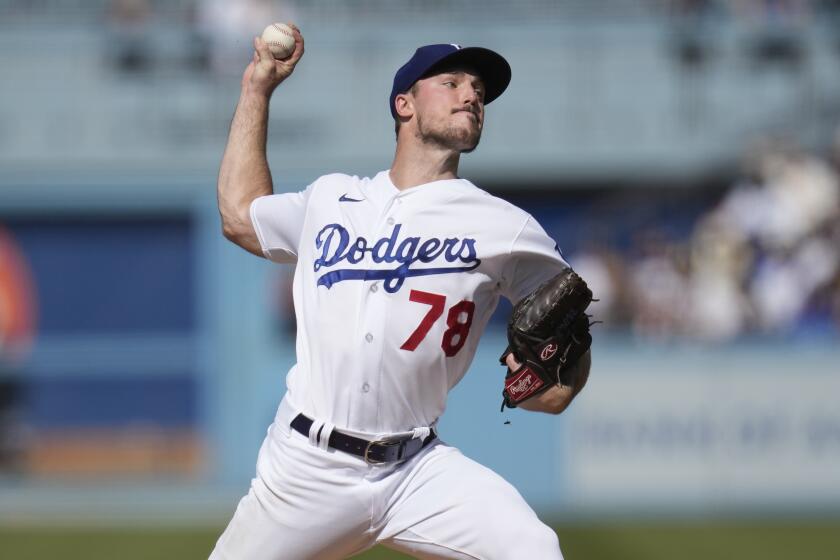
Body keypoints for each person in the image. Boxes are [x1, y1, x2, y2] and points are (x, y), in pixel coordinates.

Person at [212, 27, 591, 559]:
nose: (472, 95)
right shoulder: (331, 199)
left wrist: (566, 375)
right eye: (453, 82)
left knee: (534, 549)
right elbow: (238, 214)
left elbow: (569, 328)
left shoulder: (504, 226)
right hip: (306, 469)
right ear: (404, 103)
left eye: (480, 91)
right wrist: (257, 89)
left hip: (416, 470)